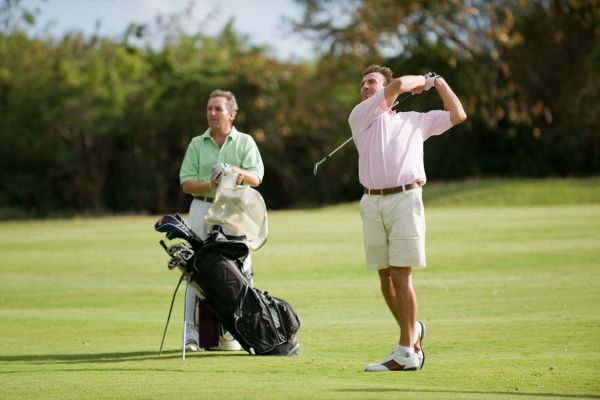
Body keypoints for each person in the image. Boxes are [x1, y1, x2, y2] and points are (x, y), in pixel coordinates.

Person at [348, 65, 467, 371]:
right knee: (384, 277)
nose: (365, 87)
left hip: (405, 198)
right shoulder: (360, 116)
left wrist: (437, 82)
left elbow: (457, 114)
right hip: (371, 201)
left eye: (372, 83)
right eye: (362, 83)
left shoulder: (415, 121)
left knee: (401, 275)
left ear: (385, 89)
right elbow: (400, 83)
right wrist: (421, 82)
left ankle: (406, 353)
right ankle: (412, 332)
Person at [179, 89, 264, 351]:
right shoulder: (196, 143)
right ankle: (191, 335)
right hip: (201, 209)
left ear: (232, 114)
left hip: (235, 211)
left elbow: (256, 177)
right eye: (209, 109)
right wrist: (210, 183)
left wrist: (234, 171)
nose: (212, 113)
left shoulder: (245, 142)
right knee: (195, 269)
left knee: (241, 269)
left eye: (218, 109)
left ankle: (240, 330)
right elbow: (185, 183)